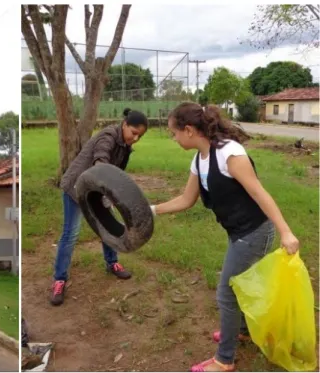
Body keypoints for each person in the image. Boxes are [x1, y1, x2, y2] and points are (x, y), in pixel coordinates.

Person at [150, 102, 299, 372]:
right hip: (237, 231)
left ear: (189, 130)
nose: (174, 139)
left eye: (174, 133)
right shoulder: (199, 160)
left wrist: (286, 231)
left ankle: (225, 359)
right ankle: (241, 332)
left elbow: (259, 193)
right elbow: (186, 199)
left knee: (226, 293)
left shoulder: (229, 154)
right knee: (239, 284)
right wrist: (151, 210)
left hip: (254, 231)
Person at [51, 108, 149, 306]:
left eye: (140, 135)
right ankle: (59, 280)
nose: (136, 138)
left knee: (109, 227)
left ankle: (112, 264)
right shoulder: (108, 136)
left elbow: (117, 173)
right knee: (70, 234)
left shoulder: (125, 146)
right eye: (134, 132)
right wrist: (106, 184)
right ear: (124, 125)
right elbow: (101, 160)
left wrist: (111, 196)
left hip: (99, 189)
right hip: (77, 186)